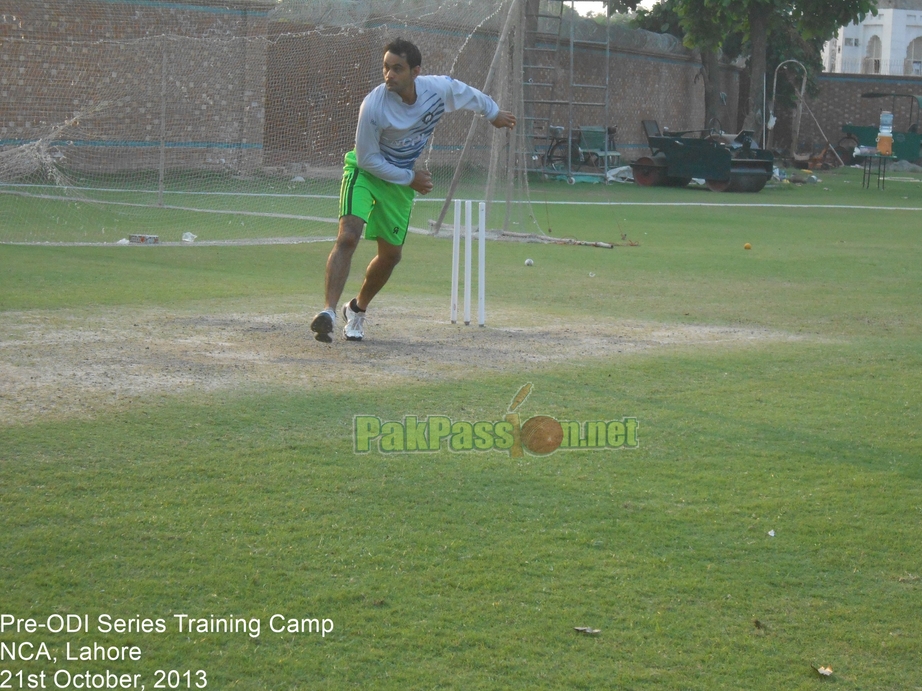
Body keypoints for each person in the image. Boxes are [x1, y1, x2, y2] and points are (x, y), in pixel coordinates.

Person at [310, 38, 516, 342]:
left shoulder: (437, 89)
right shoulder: (373, 106)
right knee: (349, 235)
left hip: (401, 181)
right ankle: (327, 311)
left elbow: (467, 94)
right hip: (366, 172)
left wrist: (493, 113)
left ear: (415, 71)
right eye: (385, 67)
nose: (389, 74)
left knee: (391, 256)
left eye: (397, 68)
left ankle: (356, 310)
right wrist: (410, 177)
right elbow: (367, 159)